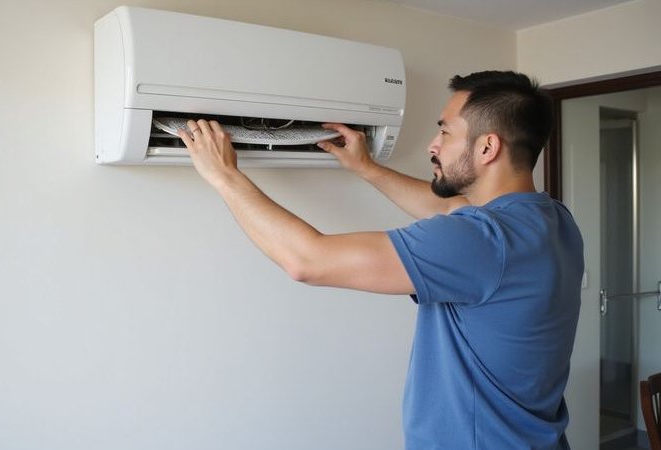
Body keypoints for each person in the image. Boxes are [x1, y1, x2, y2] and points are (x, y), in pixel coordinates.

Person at [176, 70, 583, 450]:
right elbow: (447, 211)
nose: (433, 144)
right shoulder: (551, 219)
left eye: (445, 130)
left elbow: (307, 260)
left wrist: (223, 175)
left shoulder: (480, 240)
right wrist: (367, 169)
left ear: (488, 147)